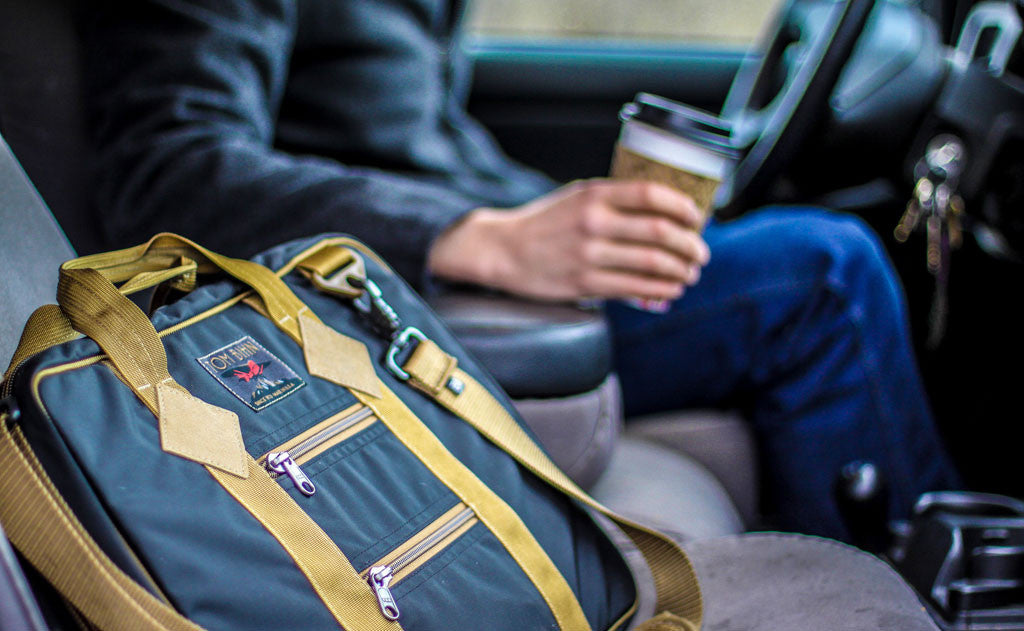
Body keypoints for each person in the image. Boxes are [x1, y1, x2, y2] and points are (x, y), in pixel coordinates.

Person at [80, 0, 959, 540]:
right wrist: (486, 234)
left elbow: (421, 145)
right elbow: (166, 165)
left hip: (463, 284)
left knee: (792, 253)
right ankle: (942, 584)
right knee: (824, 274)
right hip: (380, 310)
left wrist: (565, 217)